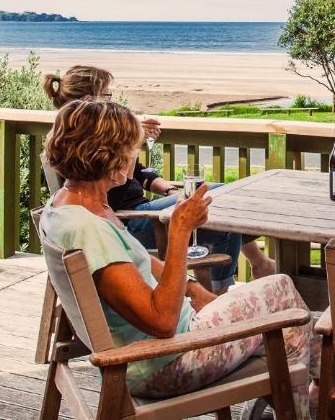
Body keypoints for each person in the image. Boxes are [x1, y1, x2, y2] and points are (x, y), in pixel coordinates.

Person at [39, 99, 318, 410]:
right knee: (283, 297)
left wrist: (193, 287)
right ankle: (312, 399)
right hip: (161, 364)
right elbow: (162, 322)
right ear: (109, 155)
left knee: (292, 319)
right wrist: (180, 232)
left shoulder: (66, 207)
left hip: (154, 351)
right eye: (132, 149)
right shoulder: (89, 230)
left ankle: (317, 388)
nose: (135, 156)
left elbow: (141, 263)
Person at [42, 65, 275, 290]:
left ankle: (254, 266)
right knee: (220, 209)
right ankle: (224, 288)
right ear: (88, 100)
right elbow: (118, 189)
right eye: (107, 94)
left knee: (221, 193)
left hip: (139, 212)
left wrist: (167, 189)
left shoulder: (70, 142)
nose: (112, 100)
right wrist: (133, 144)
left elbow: (136, 174)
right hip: (134, 221)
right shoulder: (86, 148)